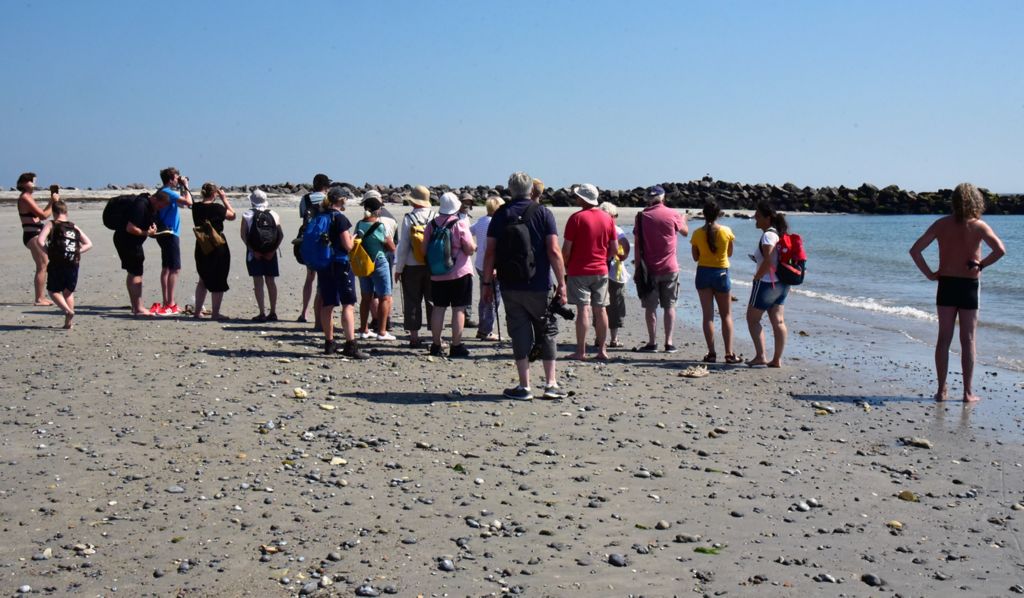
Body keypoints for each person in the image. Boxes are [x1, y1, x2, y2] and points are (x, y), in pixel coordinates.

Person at [910, 183, 1006, 402]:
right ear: (976, 201)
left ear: (953, 202)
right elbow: (1000, 250)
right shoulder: (979, 226)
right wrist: (981, 264)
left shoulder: (941, 224)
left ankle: (942, 390)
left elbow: (915, 250)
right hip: (969, 286)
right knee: (968, 339)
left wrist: (930, 274)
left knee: (944, 338)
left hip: (946, 283)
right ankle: (967, 392)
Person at [482, 171, 568, 400]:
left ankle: (524, 386)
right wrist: (562, 282)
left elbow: (490, 252)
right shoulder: (543, 213)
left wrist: (486, 283)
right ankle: (550, 384)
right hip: (539, 284)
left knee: (519, 332)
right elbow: (553, 251)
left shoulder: (501, 214)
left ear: (510, 190)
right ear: (531, 190)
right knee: (547, 331)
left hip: (510, 284)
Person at [562, 184, 616, 360]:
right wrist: (604, 260)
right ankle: (602, 350)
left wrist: (566, 266)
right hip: (600, 269)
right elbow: (614, 249)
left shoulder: (576, 218)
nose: (575, 199)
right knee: (600, 310)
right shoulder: (608, 218)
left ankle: (581, 351)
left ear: (583, 199)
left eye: (577, 196)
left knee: (583, 310)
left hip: (579, 270)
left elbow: (566, 249)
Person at [633, 185, 688, 352]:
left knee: (650, 307)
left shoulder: (642, 216)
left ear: (649, 199)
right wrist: (683, 219)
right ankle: (669, 342)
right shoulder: (673, 214)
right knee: (669, 306)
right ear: (663, 198)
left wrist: (637, 267)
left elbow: (637, 244)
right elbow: (685, 232)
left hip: (648, 269)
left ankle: (652, 342)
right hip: (670, 267)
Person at [315, 187, 368, 359]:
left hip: (324, 263)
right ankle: (350, 344)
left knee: (327, 304)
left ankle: (329, 343)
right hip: (341, 263)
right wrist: (353, 239)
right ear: (341, 200)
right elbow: (348, 246)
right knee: (348, 304)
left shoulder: (320, 216)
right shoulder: (340, 219)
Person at [425, 192, 476, 357]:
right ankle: (456, 345)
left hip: (437, 273)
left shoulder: (431, 225)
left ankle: (436, 345)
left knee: (438, 309)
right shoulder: (460, 224)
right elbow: (468, 249)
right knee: (458, 309)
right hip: (459, 273)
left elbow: (423, 249)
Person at [690, 200, 740, 363]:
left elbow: (695, 257)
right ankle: (729, 353)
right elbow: (730, 253)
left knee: (708, 316)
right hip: (721, 274)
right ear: (719, 214)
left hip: (703, 273)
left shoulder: (697, 233)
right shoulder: (726, 231)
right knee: (726, 315)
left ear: (703, 215)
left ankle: (711, 353)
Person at [112, 190, 172, 315]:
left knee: (133, 272)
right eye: (160, 206)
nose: (159, 209)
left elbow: (144, 224)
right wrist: (146, 233)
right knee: (136, 273)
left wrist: (153, 230)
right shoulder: (141, 205)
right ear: (155, 199)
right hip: (127, 241)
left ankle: (135, 306)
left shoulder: (149, 206)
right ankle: (138, 308)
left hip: (128, 241)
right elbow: (131, 228)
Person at [745, 201, 790, 368]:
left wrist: (757, 277)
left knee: (752, 319)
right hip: (782, 283)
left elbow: (769, 261)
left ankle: (761, 356)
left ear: (768, 217)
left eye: (758, 215)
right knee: (778, 321)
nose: (755, 218)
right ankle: (777, 359)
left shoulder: (767, 236)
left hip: (766, 283)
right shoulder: (778, 233)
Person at [36, 200, 93, 329]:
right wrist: (77, 251)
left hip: (57, 262)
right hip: (73, 263)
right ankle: (68, 323)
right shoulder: (73, 226)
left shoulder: (51, 224)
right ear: (66, 212)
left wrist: (48, 251)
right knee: (68, 292)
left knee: (53, 291)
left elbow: (40, 241)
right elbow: (89, 244)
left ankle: (67, 311)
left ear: (54, 213)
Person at [394, 185, 434, 347]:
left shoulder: (409, 218)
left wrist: (398, 269)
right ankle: (435, 334)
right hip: (432, 264)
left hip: (412, 265)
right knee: (432, 300)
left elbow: (403, 246)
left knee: (412, 300)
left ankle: (414, 336)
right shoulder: (434, 216)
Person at [355, 190, 397, 341]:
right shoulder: (378, 225)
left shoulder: (360, 224)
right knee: (384, 297)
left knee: (366, 297)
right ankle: (382, 331)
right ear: (377, 210)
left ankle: (363, 329)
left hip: (363, 262)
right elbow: (391, 246)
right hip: (378, 261)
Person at [191, 183, 236, 320]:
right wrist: (224, 199)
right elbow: (232, 215)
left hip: (202, 243)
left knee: (203, 278)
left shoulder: (196, 207)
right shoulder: (217, 208)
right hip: (217, 245)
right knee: (218, 278)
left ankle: (197, 311)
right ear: (214, 194)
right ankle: (215, 313)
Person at [152, 167, 193, 315]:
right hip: (170, 233)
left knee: (166, 268)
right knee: (175, 269)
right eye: (176, 178)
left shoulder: (162, 192)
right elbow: (189, 202)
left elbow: (182, 204)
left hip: (163, 232)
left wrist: (182, 187)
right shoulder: (168, 192)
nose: (178, 180)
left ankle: (167, 301)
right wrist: (186, 186)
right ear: (170, 179)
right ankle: (170, 303)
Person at [241, 189, 283, 322]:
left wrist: (253, 251)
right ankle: (273, 312)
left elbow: (243, 235)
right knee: (271, 281)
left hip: (254, 253)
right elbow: (280, 235)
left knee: (258, 282)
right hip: (271, 252)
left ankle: (261, 313)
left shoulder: (247, 214)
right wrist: (272, 250)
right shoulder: (274, 214)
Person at [16, 173, 57, 305]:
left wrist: (52, 201)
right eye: (31, 181)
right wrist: (52, 201)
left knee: (44, 265)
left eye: (34, 181)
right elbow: (44, 215)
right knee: (42, 265)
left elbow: (40, 216)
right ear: (22, 183)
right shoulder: (24, 198)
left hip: (36, 233)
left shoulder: (29, 197)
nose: (34, 184)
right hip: (32, 235)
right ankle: (39, 298)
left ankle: (41, 296)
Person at [298, 173, 332, 324]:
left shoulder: (305, 199)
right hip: (325, 241)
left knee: (309, 277)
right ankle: (322, 315)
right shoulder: (328, 199)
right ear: (325, 186)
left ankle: (304, 312)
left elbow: (304, 218)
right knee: (323, 279)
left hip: (309, 241)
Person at [470, 196, 504, 340]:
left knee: (485, 296)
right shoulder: (496, 223)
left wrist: (475, 246)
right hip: (491, 265)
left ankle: (482, 328)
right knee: (492, 299)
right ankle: (486, 330)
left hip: (480, 264)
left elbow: (467, 232)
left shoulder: (480, 221)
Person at [598, 201, 629, 348]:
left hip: (598, 270)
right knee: (615, 305)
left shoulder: (596, 228)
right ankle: (613, 338)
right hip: (614, 272)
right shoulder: (616, 229)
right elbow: (625, 245)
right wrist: (623, 256)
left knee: (599, 304)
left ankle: (600, 338)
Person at [458, 192, 478, 328]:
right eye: (465, 202)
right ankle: (464, 316)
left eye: (469, 202)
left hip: (466, 258)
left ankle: (466, 316)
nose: (467, 204)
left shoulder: (466, 217)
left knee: (466, 289)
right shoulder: (456, 217)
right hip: (459, 258)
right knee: (463, 289)